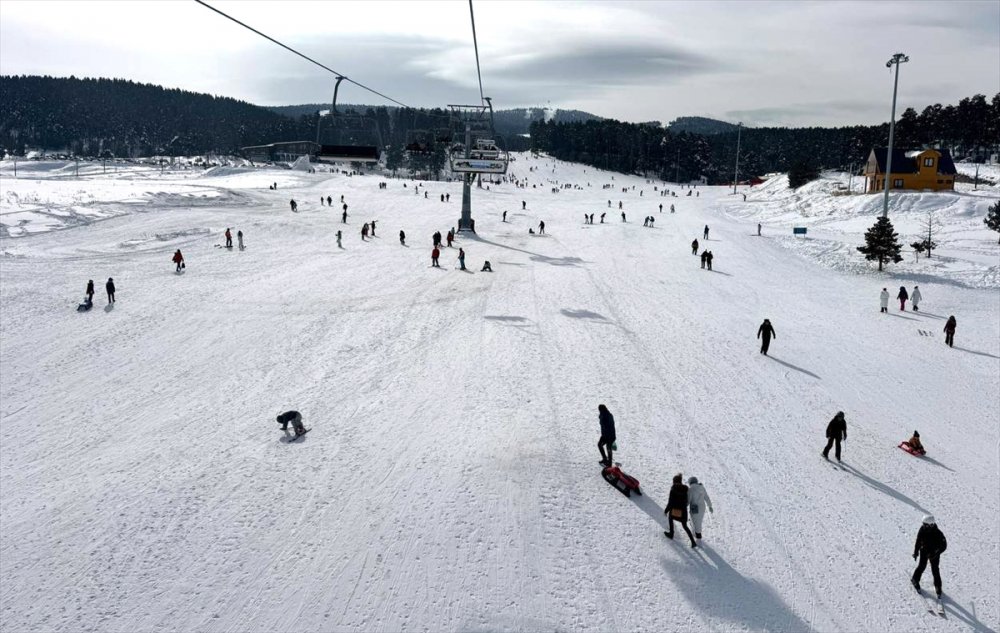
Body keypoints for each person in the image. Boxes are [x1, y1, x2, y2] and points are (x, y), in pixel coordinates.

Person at [912, 515, 947, 597]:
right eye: (923, 524)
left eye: (925, 525)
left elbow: (944, 545)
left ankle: (938, 586)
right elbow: (918, 541)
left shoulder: (938, 533)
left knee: (935, 569)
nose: (923, 526)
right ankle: (915, 579)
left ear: (931, 525)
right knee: (922, 566)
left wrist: (936, 553)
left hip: (934, 553)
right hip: (924, 551)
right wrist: (916, 552)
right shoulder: (922, 530)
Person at [664, 474, 697, 548]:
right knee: (685, 526)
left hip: (675, 512)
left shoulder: (673, 490)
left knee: (670, 517)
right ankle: (693, 542)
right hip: (683, 513)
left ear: (674, 481)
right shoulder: (686, 490)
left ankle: (671, 533)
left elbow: (670, 502)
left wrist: (666, 511)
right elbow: (687, 501)